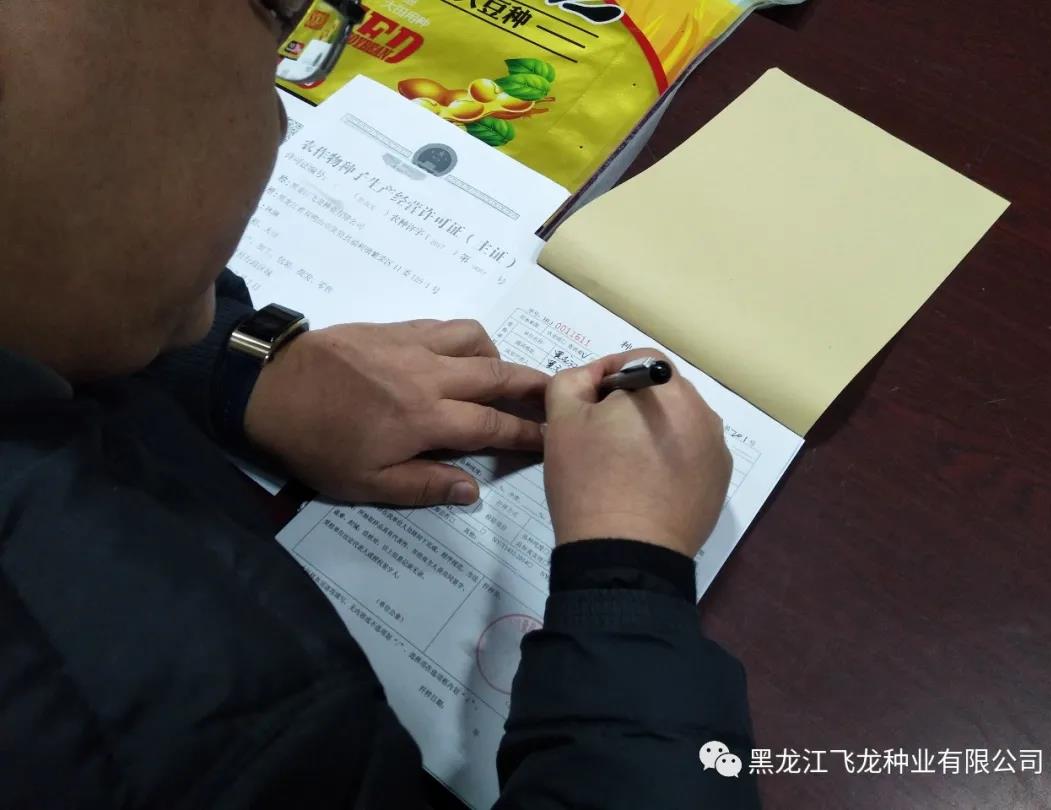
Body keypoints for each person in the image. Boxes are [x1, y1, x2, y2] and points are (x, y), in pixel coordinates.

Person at [0, 2, 758, 807]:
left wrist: (237, 363)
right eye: (271, 16)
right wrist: (630, 575)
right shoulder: (175, 721)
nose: (281, 117)